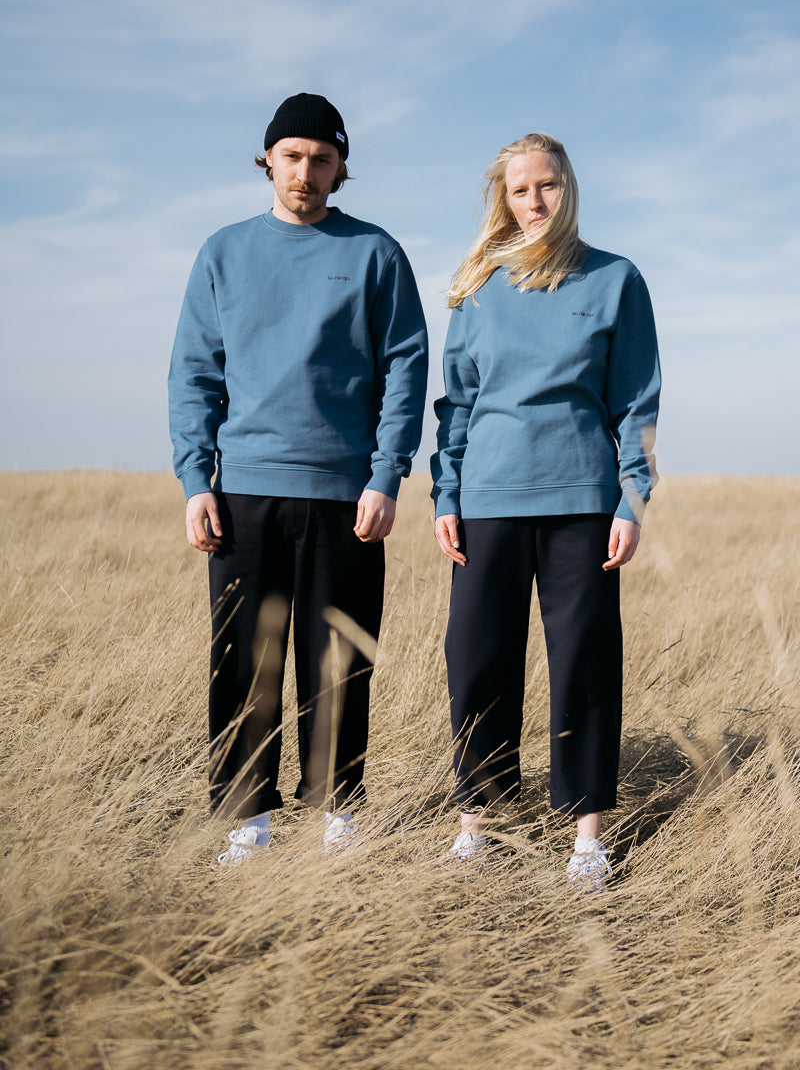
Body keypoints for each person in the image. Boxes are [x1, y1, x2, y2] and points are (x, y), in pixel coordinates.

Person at [169, 93, 428, 864]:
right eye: (292, 156)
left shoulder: (376, 255)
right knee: (245, 659)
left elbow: (405, 374)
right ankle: (247, 818)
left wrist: (386, 476)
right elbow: (194, 374)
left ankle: (338, 814)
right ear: (268, 162)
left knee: (338, 657)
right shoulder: (223, 252)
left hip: (346, 494)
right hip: (244, 490)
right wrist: (196, 478)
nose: (305, 172)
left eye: (321, 158)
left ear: (341, 167)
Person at [431, 132, 660, 890]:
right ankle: (478, 821)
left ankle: (586, 837)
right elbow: (457, 405)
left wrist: (632, 499)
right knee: (477, 661)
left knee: (585, 666)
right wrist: (447, 494)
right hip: (488, 504)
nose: (535, 201)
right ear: (503, 196)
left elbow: (637, 403)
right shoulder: (477, 283)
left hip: (583, 506)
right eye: (521, 189)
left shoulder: (616, 279)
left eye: (549, 186)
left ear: (570, 188)